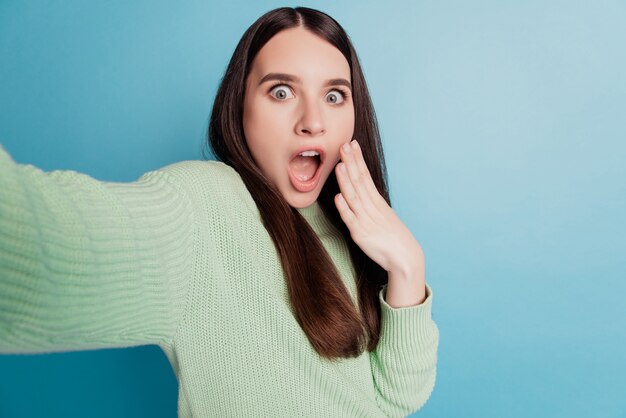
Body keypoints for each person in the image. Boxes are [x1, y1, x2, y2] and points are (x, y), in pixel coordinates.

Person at [0, 6, 439, 418]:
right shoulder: (203, 208)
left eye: (335, 96)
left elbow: (397, 397)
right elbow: (37, 247)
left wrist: (407, 267)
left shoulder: (350, 225)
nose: (313, 121)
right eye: (281, 91)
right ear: (240, 106)